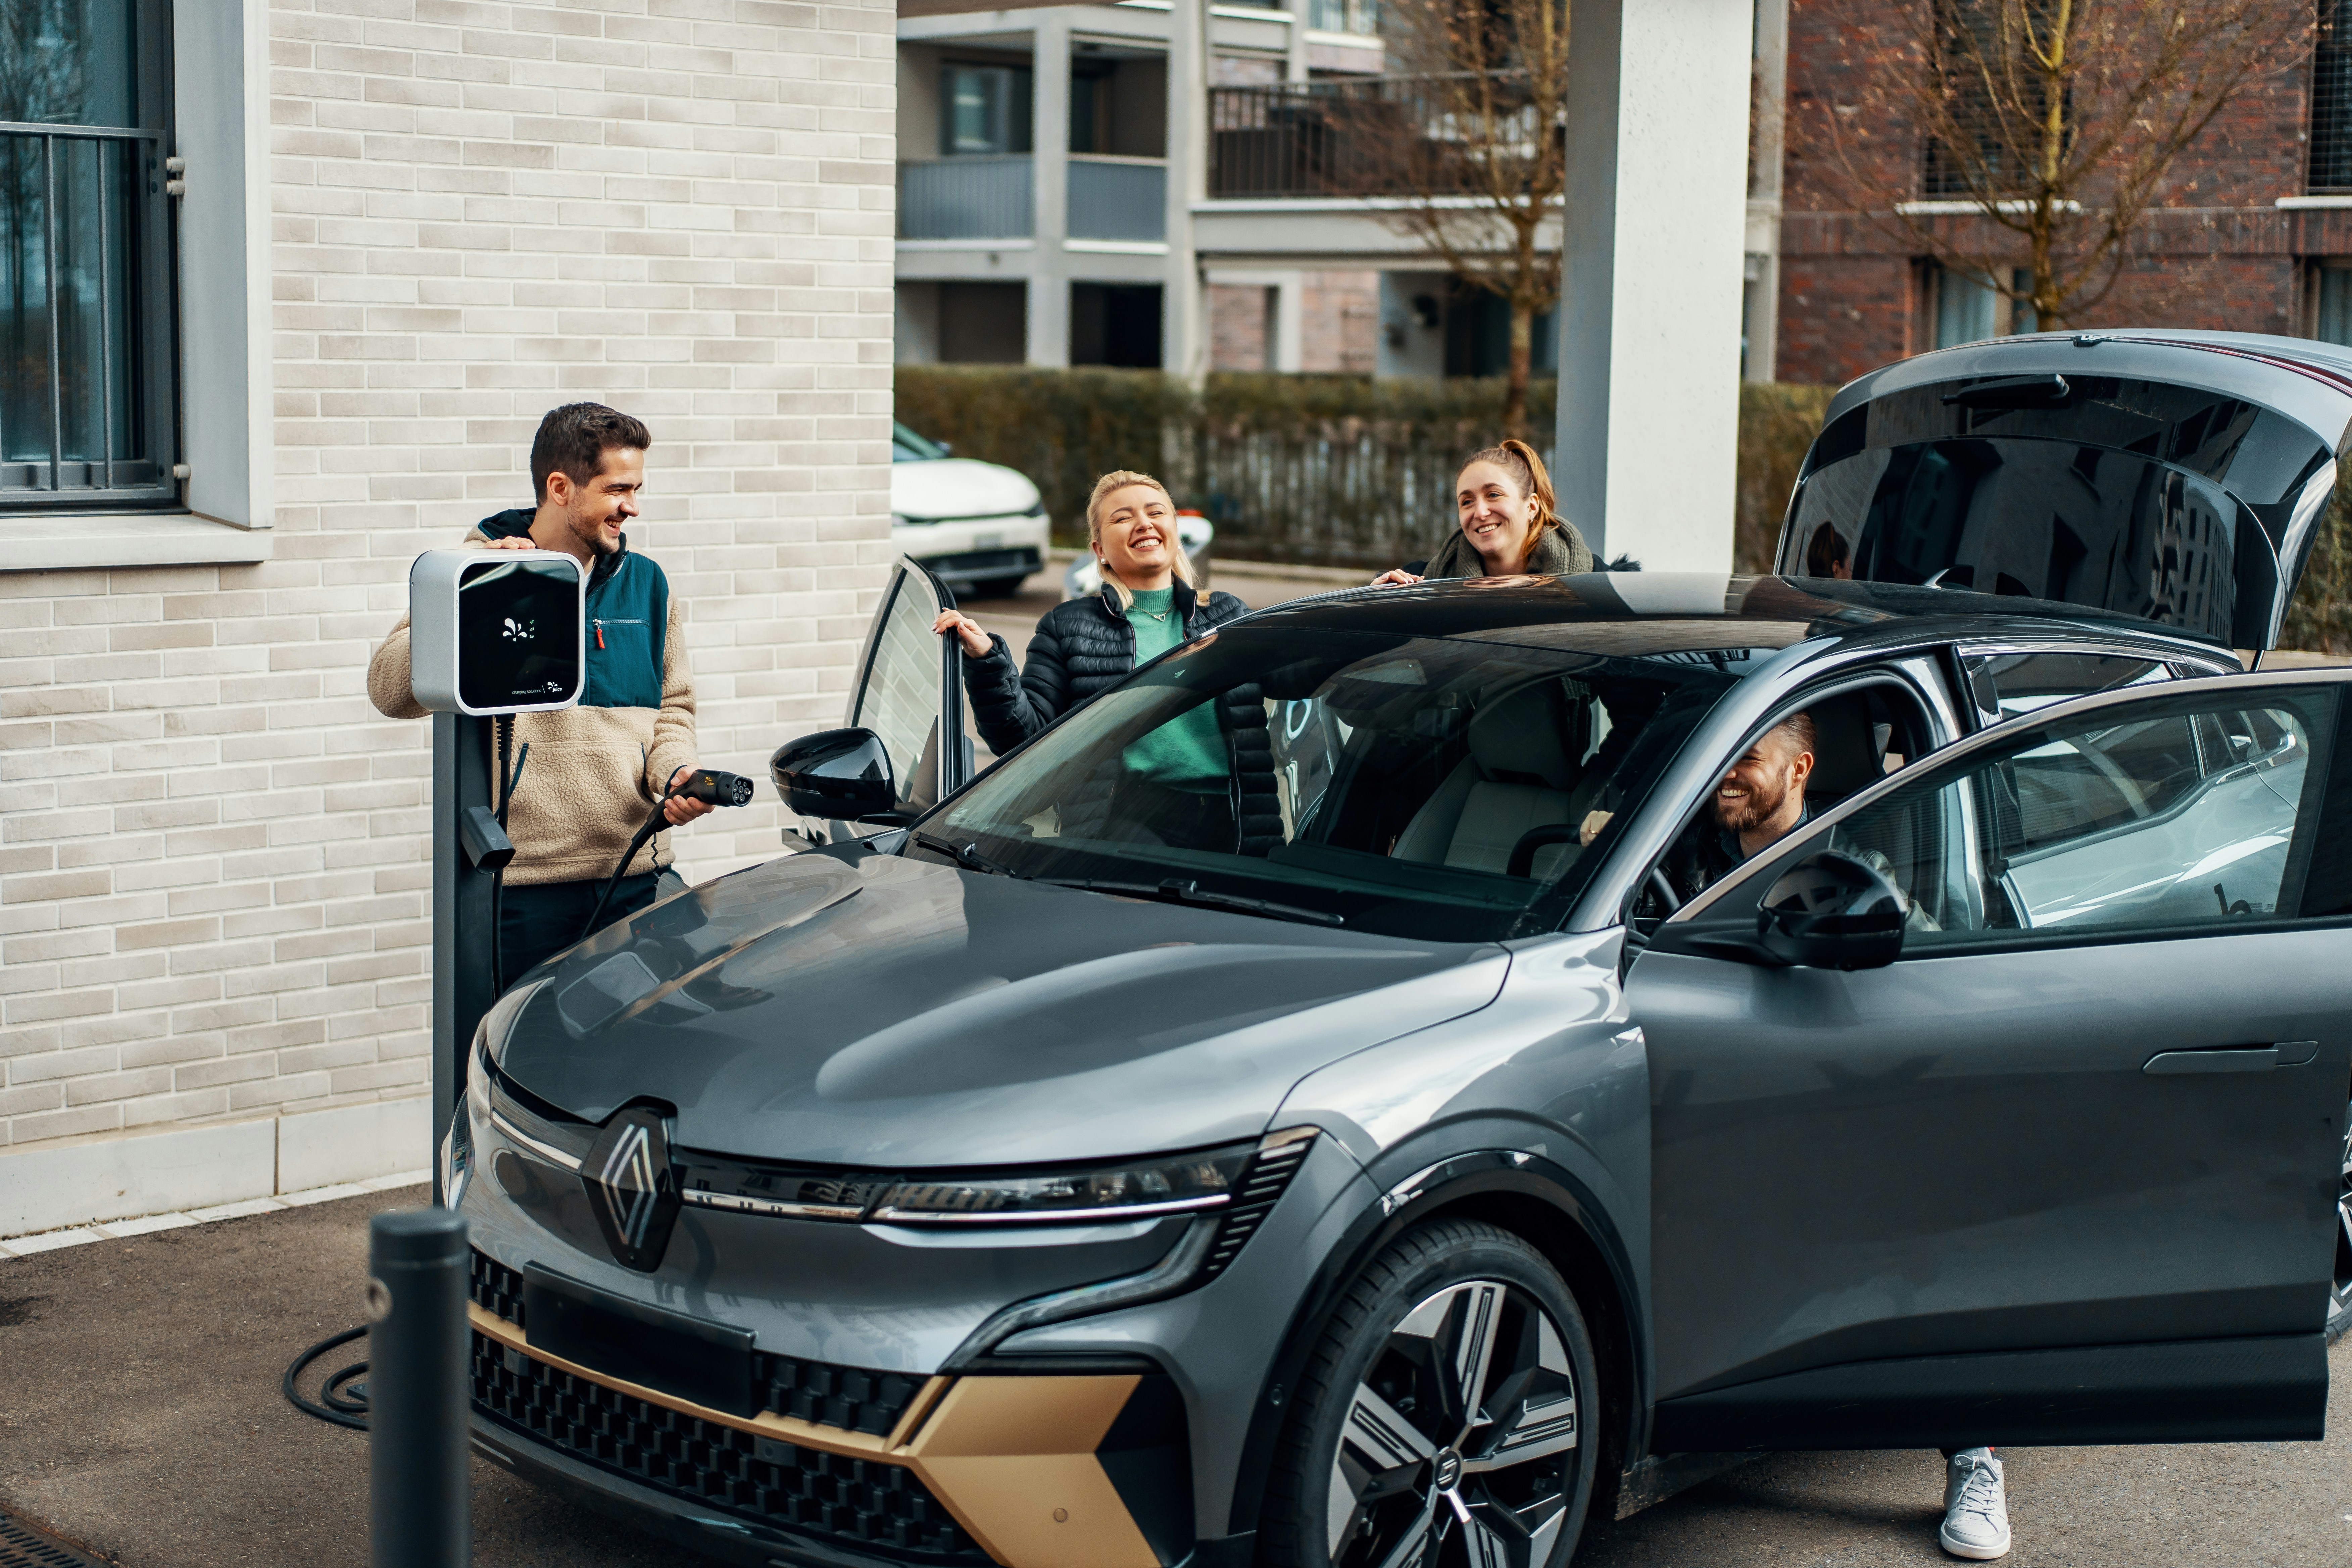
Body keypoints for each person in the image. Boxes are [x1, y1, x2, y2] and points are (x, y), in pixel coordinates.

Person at [1626, 708, 2010, 1563]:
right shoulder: (1681, 855)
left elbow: (1921, 991)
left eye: (1748, 759)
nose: (1727, 774)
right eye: (1722, 757)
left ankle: (1975, 1454)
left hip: (1830, 1098)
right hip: (1710, 1092)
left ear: (1799, 770)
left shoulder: (1854, 862)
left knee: (1926, 1245)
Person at [367, 402, 713, 985]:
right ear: (560, 488)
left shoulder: (649, 584)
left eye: (636, 489)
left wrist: (675, 774)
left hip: (636, 872)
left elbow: (671, 709)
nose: (632, 506)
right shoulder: (479, 572)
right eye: (617, 489)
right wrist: (478, 598)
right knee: (526, 1041)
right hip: (524, 889)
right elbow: (388, 689)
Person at [931, 469, 1279, 853]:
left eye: (1156, 512)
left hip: (1236, 820)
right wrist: (987, 660)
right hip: (1123, 824)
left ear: (1175, 533)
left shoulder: (1228, 614)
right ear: (1099, 550)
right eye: (1123, 518)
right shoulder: (1069, 626)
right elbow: (1024, 740)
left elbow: (1299, 677)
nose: (1144, 523)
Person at [1370, 438, 1595, 585]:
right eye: (1467, 502)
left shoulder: (1596, 581)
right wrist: (1376, 602)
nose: (1480, 512)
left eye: (1494, 495)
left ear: (1532, 506)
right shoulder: (1420, 582)